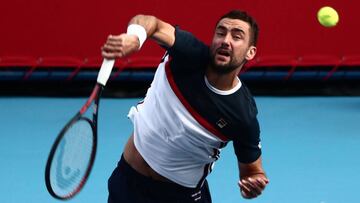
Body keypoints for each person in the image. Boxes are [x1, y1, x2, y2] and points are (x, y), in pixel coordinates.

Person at [102, 10, 269, 203]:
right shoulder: (187, 54)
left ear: (251, 52)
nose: (225, 40)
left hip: (180, 197)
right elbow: (151, 23)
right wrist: (135, 38)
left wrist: (252, 185)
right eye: (221, 33)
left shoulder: (242, 114)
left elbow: (252, 171)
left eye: (236, 36)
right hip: (128, 182)